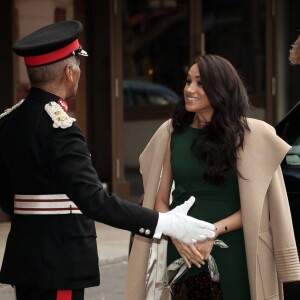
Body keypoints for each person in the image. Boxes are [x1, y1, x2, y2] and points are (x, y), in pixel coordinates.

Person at [0, 20, 216, 300]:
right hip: (59, 261)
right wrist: (165, 223)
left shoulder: (9, 121)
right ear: (68, 72)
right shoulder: (60, 128)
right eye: (77, 66)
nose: (78, 74)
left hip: (27, 258)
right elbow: (95, 202)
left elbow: (7, 197)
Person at [125, 54, 300, 300]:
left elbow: (257, 204)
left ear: (219, 89)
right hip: (185, 250)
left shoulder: (249, 136)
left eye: (199, 83)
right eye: (188, 82)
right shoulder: (172, 133)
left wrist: (212, 232)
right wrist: (177, 234)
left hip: (235, 248)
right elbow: (160, 197)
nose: (189, 89)